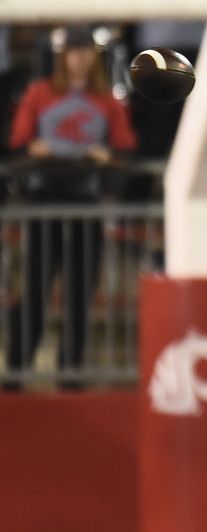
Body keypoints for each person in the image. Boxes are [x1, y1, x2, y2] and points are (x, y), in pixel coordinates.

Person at [5, 24, 137, 389]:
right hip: (46, 203)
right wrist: (36, 151)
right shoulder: (39, 94)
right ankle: (17, 370)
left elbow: (124, 151)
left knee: (79, 293)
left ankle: (70, 371)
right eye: (73, 53)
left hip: (85, 205)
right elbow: (18, 145)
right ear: (62, 56)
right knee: (35, 290)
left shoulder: (106, 100)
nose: (78, 60)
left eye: (84, 52)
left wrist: (105, 158)